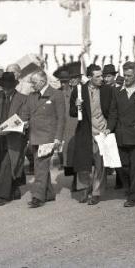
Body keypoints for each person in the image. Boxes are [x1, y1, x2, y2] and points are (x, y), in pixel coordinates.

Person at [107, 62, 135, 207]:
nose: (126, 78)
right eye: (124, 75)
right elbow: (113, 112)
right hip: (121, 134)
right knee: (123, 166)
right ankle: (132, 187)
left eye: (129, 76)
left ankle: (134, 197)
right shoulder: (117, 91)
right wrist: (108, 129)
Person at [69, 64, 113, 205]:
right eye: (98, 76)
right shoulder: (79, 90)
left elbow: (113, 111)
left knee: (100, 165)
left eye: (102, 75)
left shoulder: (107, 90)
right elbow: (72, 112)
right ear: (89, 77)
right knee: (83, 164)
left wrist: (109, 128)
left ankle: (96, 193)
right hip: (85, 131)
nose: (102, 78)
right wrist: (76, 106)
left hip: (102, 131)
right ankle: (84, 190)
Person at [0, 72, 29, 206]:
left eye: (9, 87)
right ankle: (15, 189)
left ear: (14, 86)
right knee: (8, 163)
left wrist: (8, 129)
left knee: (8, 163)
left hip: (15, 137)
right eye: (4, 87)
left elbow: (23, 119)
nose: (6, 90)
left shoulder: (23, 99)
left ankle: (2, 196)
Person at [25, 71, 65, 208]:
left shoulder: (56, 94)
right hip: (34, 136)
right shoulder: (31, 96)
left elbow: (61, 118)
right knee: (40, 165)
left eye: (34, 82)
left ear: (42, 82)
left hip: (48, 137)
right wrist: (23, 123)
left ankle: (38, 197)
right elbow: (25, 114)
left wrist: (58, 138)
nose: (32, 85)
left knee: (40, 166)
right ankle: (49, 193)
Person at [58, 62, 81, 191]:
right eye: (67, 80)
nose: (68, 82)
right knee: (68, 156)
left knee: (78, 154)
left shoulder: (82, 91)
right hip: (67, 129)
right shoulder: (61, 93)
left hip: (78, 126)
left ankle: (78, 180)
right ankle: (74, 178)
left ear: (78, 79)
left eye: (72, 79)